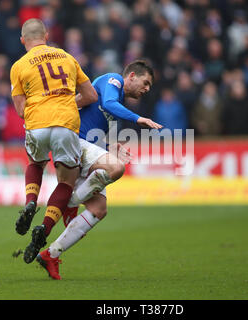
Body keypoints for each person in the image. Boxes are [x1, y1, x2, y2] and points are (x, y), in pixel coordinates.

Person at [36, 60, 163, 279]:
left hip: (87, 149)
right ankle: (71, 201)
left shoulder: (117, 107)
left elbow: (101, 129)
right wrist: (139, 118)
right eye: (146, 83)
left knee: (99, 210)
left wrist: (112, 147)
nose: (147, 89)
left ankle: (51, 254)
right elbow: (110, 104)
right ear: (131, 75)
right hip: (75, 143)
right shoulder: (111, 80)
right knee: (115, 168)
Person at [10, 18, 98, 264]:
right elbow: (91, 95)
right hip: (65, 123)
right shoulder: (67, 57)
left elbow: (19, 110)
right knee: (66, 181)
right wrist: (67, 102)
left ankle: (29, 203)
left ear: (22, 40)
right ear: (46, 36)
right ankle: (45, 228)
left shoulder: (18, 65)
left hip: (37, 123)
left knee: (36, 164)